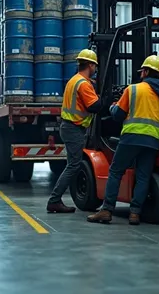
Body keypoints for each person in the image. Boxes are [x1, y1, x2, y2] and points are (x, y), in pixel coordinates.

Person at [87, 54, 159, 225]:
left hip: (132, 136)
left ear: (146, 71)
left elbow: (118, 115)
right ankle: (135, 213)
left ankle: (107, 210)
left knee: (116, 171)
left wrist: (112, 106)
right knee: (143, 176)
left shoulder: (133, 89)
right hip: (153, 140)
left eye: (142, 71)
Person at [47, 49, 104, 213]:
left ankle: (55, 200)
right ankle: (54, 200)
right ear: (91, 65)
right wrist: (105, 100)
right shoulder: (83, 84)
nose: (95, 70)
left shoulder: (75, 80)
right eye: (95, 66)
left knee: (73, 164)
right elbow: (94, 106)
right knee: (74, 165)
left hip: (70, 127)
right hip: (74, 128)